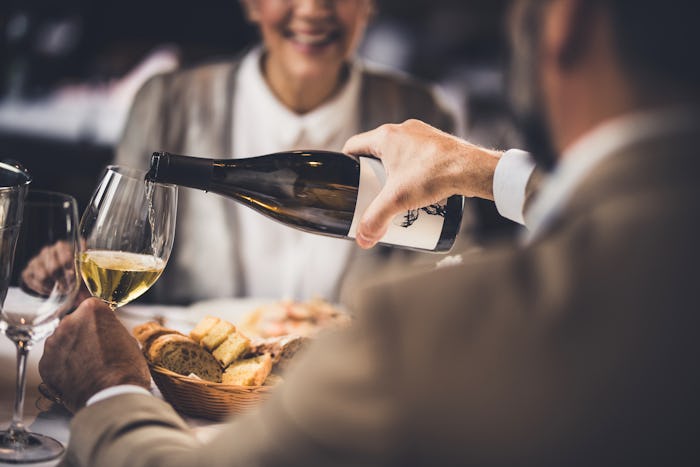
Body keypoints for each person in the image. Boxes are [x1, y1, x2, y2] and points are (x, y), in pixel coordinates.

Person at [40, 0, 700, 465]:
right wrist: (493, 172)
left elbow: (458, 269)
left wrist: (111, 387)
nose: (314, 6)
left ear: (567, 21)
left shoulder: (415, 330)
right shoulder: (171, 102)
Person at [114, 0, 463, 305]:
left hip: (356, 374)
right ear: (251, 3)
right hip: (194, 381)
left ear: (368, 4)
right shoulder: (165, 106)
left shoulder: (423, 115)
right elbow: (117, 246)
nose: (312, 9)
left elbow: (456, 265)